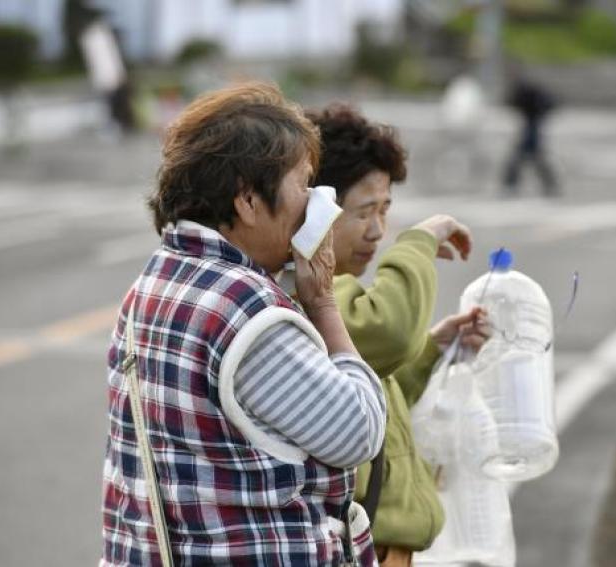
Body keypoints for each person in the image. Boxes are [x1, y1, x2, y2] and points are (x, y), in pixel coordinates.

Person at [101, 83, 386, 565]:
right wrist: (322, 303)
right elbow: (359, 431)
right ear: (248, 200)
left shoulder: (154, 282)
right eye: (303, 183)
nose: (318, 202)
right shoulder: (244, 308)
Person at [308, 104, 490, 566]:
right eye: (365, 212)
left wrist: (430, 351)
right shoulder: (316, 293)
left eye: (385, 211)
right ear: (316, 207)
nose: (378, 231)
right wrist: (420, 241)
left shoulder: (336, 291)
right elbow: (386, 332)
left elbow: (370, 392)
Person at [502, 69, 560, 197]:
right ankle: (549, 185)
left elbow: (516, 104)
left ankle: (511, 185)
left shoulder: (526, 90)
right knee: (533, 158)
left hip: (532, 127)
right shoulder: (526, 89)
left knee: (523, 158)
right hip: (531, 125)